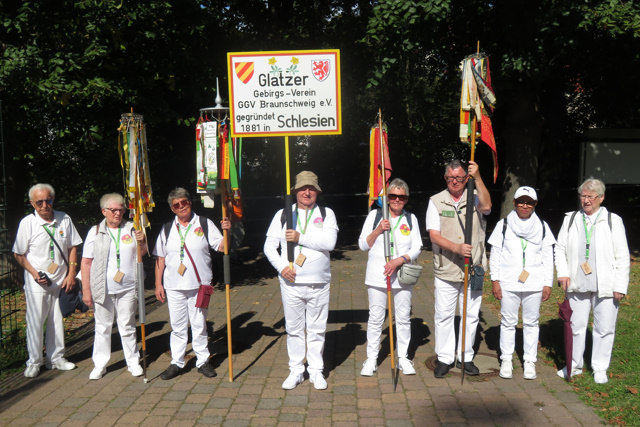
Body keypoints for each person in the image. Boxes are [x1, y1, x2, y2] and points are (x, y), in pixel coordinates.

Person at [264, 171, 338, 390]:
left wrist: (300, 237)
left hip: (319, 283)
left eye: (312, 188)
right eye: (303, 188)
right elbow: (269, 247)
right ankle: (296, 370)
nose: (307, 192)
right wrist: (282, 267)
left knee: (316, 329)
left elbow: (330, 243)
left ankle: (316, 371)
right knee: (294, 329)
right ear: (295, 191)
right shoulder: (283, 214)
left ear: (317, 192)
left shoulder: (326, 213)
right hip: (291, 283)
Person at [555, 178, 629, 384]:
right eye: (583, 196)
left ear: (601, 198)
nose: (586, 200)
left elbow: (622, 256)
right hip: (577, 281)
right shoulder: (570, 219)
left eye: (591, 196)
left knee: (604, 327)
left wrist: (620, 286)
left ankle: (599, 367)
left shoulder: (613, 221)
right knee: (576, 325)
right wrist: (562, 273)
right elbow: (560, 248)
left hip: (606, 283)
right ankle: (574, 365)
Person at [153, 187, 230, 380]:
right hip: (173, 286)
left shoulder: (204, 223)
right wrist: (158, 284)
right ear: (172, 208)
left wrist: (228, 230)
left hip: (199, 285)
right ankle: (177, 362)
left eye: (183, 202)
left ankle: (203, 361)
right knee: (178, 326)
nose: (181, 207)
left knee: (199, 324)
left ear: (190, 202)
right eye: (176, 205)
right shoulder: (167, 228)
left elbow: (221, 246)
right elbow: (160, 258)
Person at [426, 160, 491, 378]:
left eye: (460, 178)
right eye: (450, 178)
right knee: (444, 314)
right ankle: (445, 358)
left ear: (466, 178)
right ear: (445, 179)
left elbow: (488, 207)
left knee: (470, 314)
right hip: (446, 268)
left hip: (473, 269)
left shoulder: (474, 196)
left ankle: (465, 356)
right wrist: (456, 248)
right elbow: (433, 235)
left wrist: (479, 178)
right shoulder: (435, 201)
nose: (455, 181)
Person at [12, 183, 82, 378]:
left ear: (53, 199)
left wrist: (71, 274)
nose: (44, 205)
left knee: (56, 320)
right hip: (38, 283)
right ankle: (34, 361)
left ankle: (56, 358)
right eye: (39, 202)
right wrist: (35, 274)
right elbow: (19, 254)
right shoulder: (27, 223)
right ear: (32, 203)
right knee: (35, 321)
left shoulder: (64, 218)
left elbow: (73, 247)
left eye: (48, 200)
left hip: (61, 280)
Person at [487, 186, 555, 380]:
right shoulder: (504, 225)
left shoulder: (542, 227)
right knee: (508, 322)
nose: (525, 205)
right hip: (509, 282)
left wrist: (547, 283)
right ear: (515, 203)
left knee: (531, 323)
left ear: (535, 205)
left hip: (534, 282)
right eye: (521, 201)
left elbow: (547, 256)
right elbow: (496, 254)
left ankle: (529, 360)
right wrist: (495, 280)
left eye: (529, 202)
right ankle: (507, 359)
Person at [358, 178, 422, 376]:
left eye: (401, 197)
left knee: (403, 317)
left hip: (401, 275)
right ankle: (371, 359)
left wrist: (399, 260)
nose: (396, 200)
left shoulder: (410, 219)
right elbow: (362, 244)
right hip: (378, 275)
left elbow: (417, 247)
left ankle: (403, 357)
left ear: (406, 199)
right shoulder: (375, 216)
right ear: (387, 198)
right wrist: (378, 230)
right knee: (376, 317)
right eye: (393, 196)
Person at [80, 193, 146, 380]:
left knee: (127, 325)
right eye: (114, 210)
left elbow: (143, 253)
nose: (118, 213)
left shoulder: (132, 228)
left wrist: (142, 242)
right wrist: (86, 290)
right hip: (103, 288)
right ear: (104, 211)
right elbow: (86, 262)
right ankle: (100, 364)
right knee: (102, 327)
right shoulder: (95, 232)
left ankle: (133, 362)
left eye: (121, 209)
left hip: (128, 287)